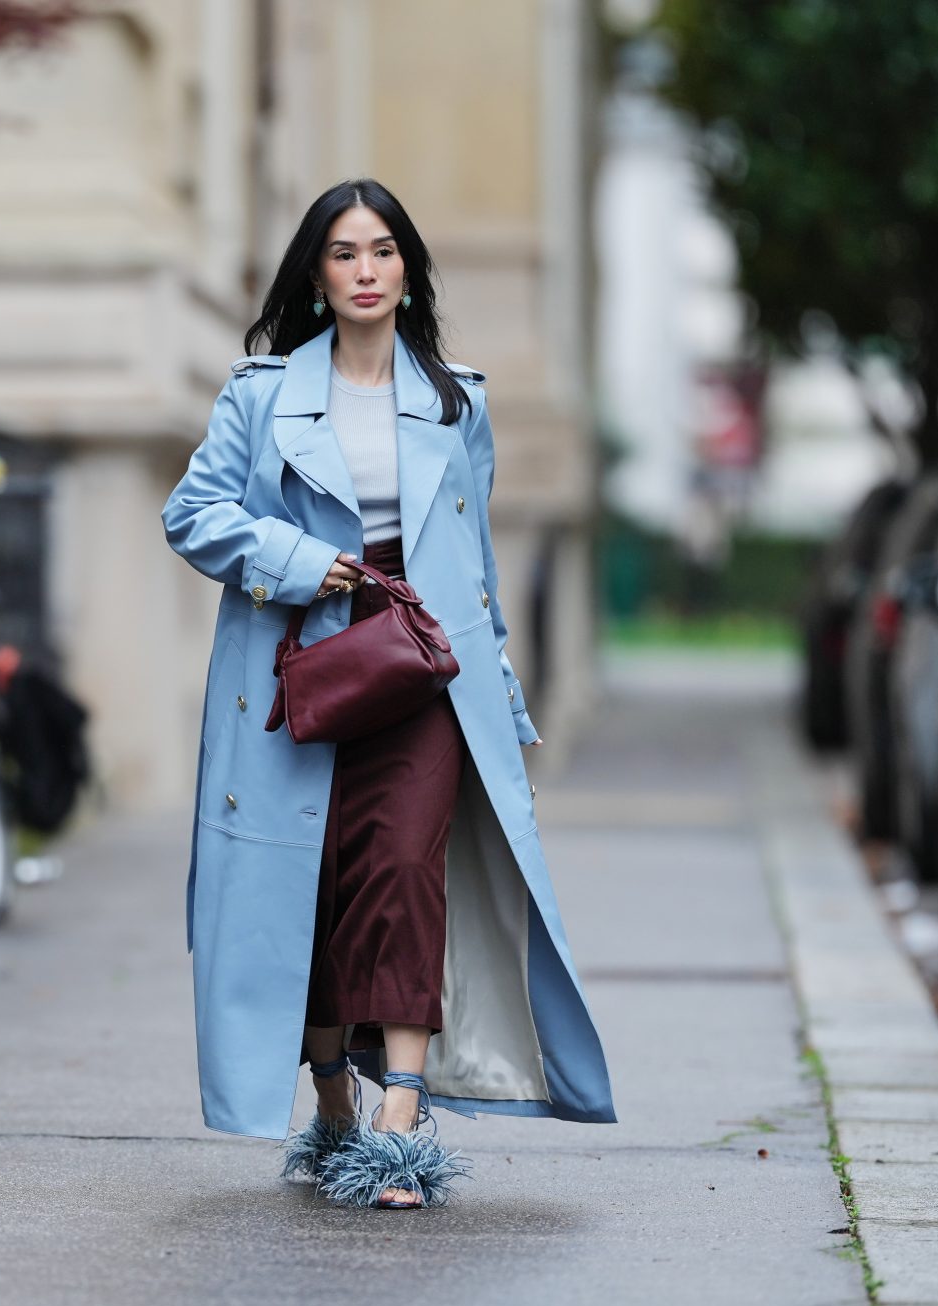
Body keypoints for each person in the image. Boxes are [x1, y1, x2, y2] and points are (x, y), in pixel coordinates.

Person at [161, 179, 616, 1210]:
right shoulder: (261, 394)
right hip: (299, 675)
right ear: (315, 277)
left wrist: (496, 683)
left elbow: (472, 560)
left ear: (406, 269)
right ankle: (331, 1103)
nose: (363, 270)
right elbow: (190, 514)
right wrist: (288, 555)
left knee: (404, 876)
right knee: (309, 888)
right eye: (340, 253)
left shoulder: (458, 397)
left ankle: (400, 1123)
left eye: (380, 251)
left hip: (422, 675)